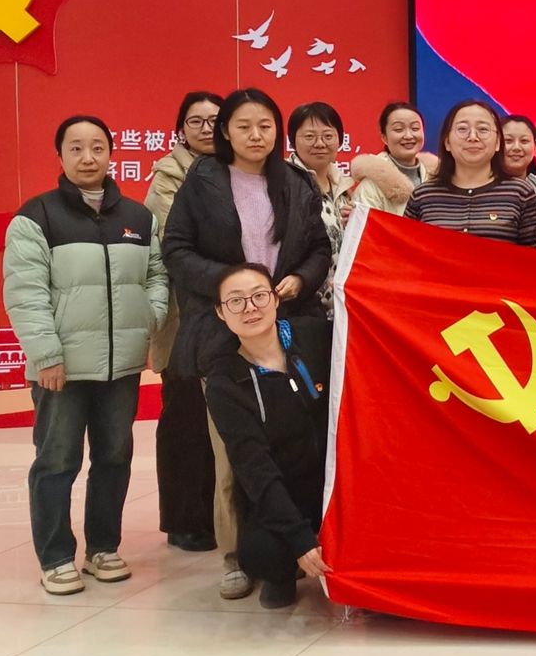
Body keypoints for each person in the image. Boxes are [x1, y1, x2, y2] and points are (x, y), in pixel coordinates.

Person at [162, 87, 333, 602]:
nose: (256, 135)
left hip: (289, 327)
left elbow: (319, 247)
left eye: (265, 126)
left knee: (301, 443)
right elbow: (176, 249)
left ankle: (300, 542)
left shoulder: (296, 181)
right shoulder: (204, 180)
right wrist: (231, 283)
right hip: (227, 329)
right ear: (225, 132)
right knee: (233, 456)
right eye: (244, 126)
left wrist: (301, 280)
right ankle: (238, 556)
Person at [2, 115, 169, 595]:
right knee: (57, 461)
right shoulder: (37, 216)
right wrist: (46, 355)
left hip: (122, 365)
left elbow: (157, 277)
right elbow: (25, 293)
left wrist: (149, 320)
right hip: (62, 367)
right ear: (60, 156)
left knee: (115, 457)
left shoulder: (138, 218)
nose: (88, 157)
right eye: (76, 148)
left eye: (97, 147)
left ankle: (103, 548)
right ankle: (55, 556)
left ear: (111, 153)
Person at [205, 263, 334, 609]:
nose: (250, 308)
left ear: (276, 299)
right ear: (221, 312)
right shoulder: (224, 382)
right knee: (262, 553)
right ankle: (285, 571)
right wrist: (299, 538)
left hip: (337, 486)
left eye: (259, 296)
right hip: (286, 494)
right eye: (236, 301)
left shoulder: (316, 336)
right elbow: (254, 468)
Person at [145, 91, 222, 553]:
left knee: (224, 422)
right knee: (185, 421)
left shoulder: (237, 170)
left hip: (230, 313)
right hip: (184, 318)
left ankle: (219, 515)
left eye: (215, 120)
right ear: (181, 131)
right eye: (196, 121)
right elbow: (178, 246)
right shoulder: (168, 178)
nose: (207, 128)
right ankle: (184, 519)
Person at [405, 101, 536, 245]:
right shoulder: (423, 195)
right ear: (447, 142)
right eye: (462, 129)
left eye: (483, 129)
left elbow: (534, 255)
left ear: (497, 143)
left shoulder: (521, 193)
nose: (472, 137)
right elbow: (404, 250)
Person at [287, 102, 354, 316]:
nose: (319, 143)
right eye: (309, 136)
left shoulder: (345, 187)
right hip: (302, 305)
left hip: (342, 308)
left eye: (328, 136)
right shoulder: (285, 184)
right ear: (292, 141)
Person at [349, 103, 439, 215]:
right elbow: (364, 225)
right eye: (398, 129)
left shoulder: (438, 178)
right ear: (384, 137)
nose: (408, 136)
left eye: (415, 128)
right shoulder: (370, 188)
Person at [501, 114, 536, 207]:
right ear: (496, 144)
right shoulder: (482, 186)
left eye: (524, 141)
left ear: (535, 145)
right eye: (508, 140)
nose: (516, 147)